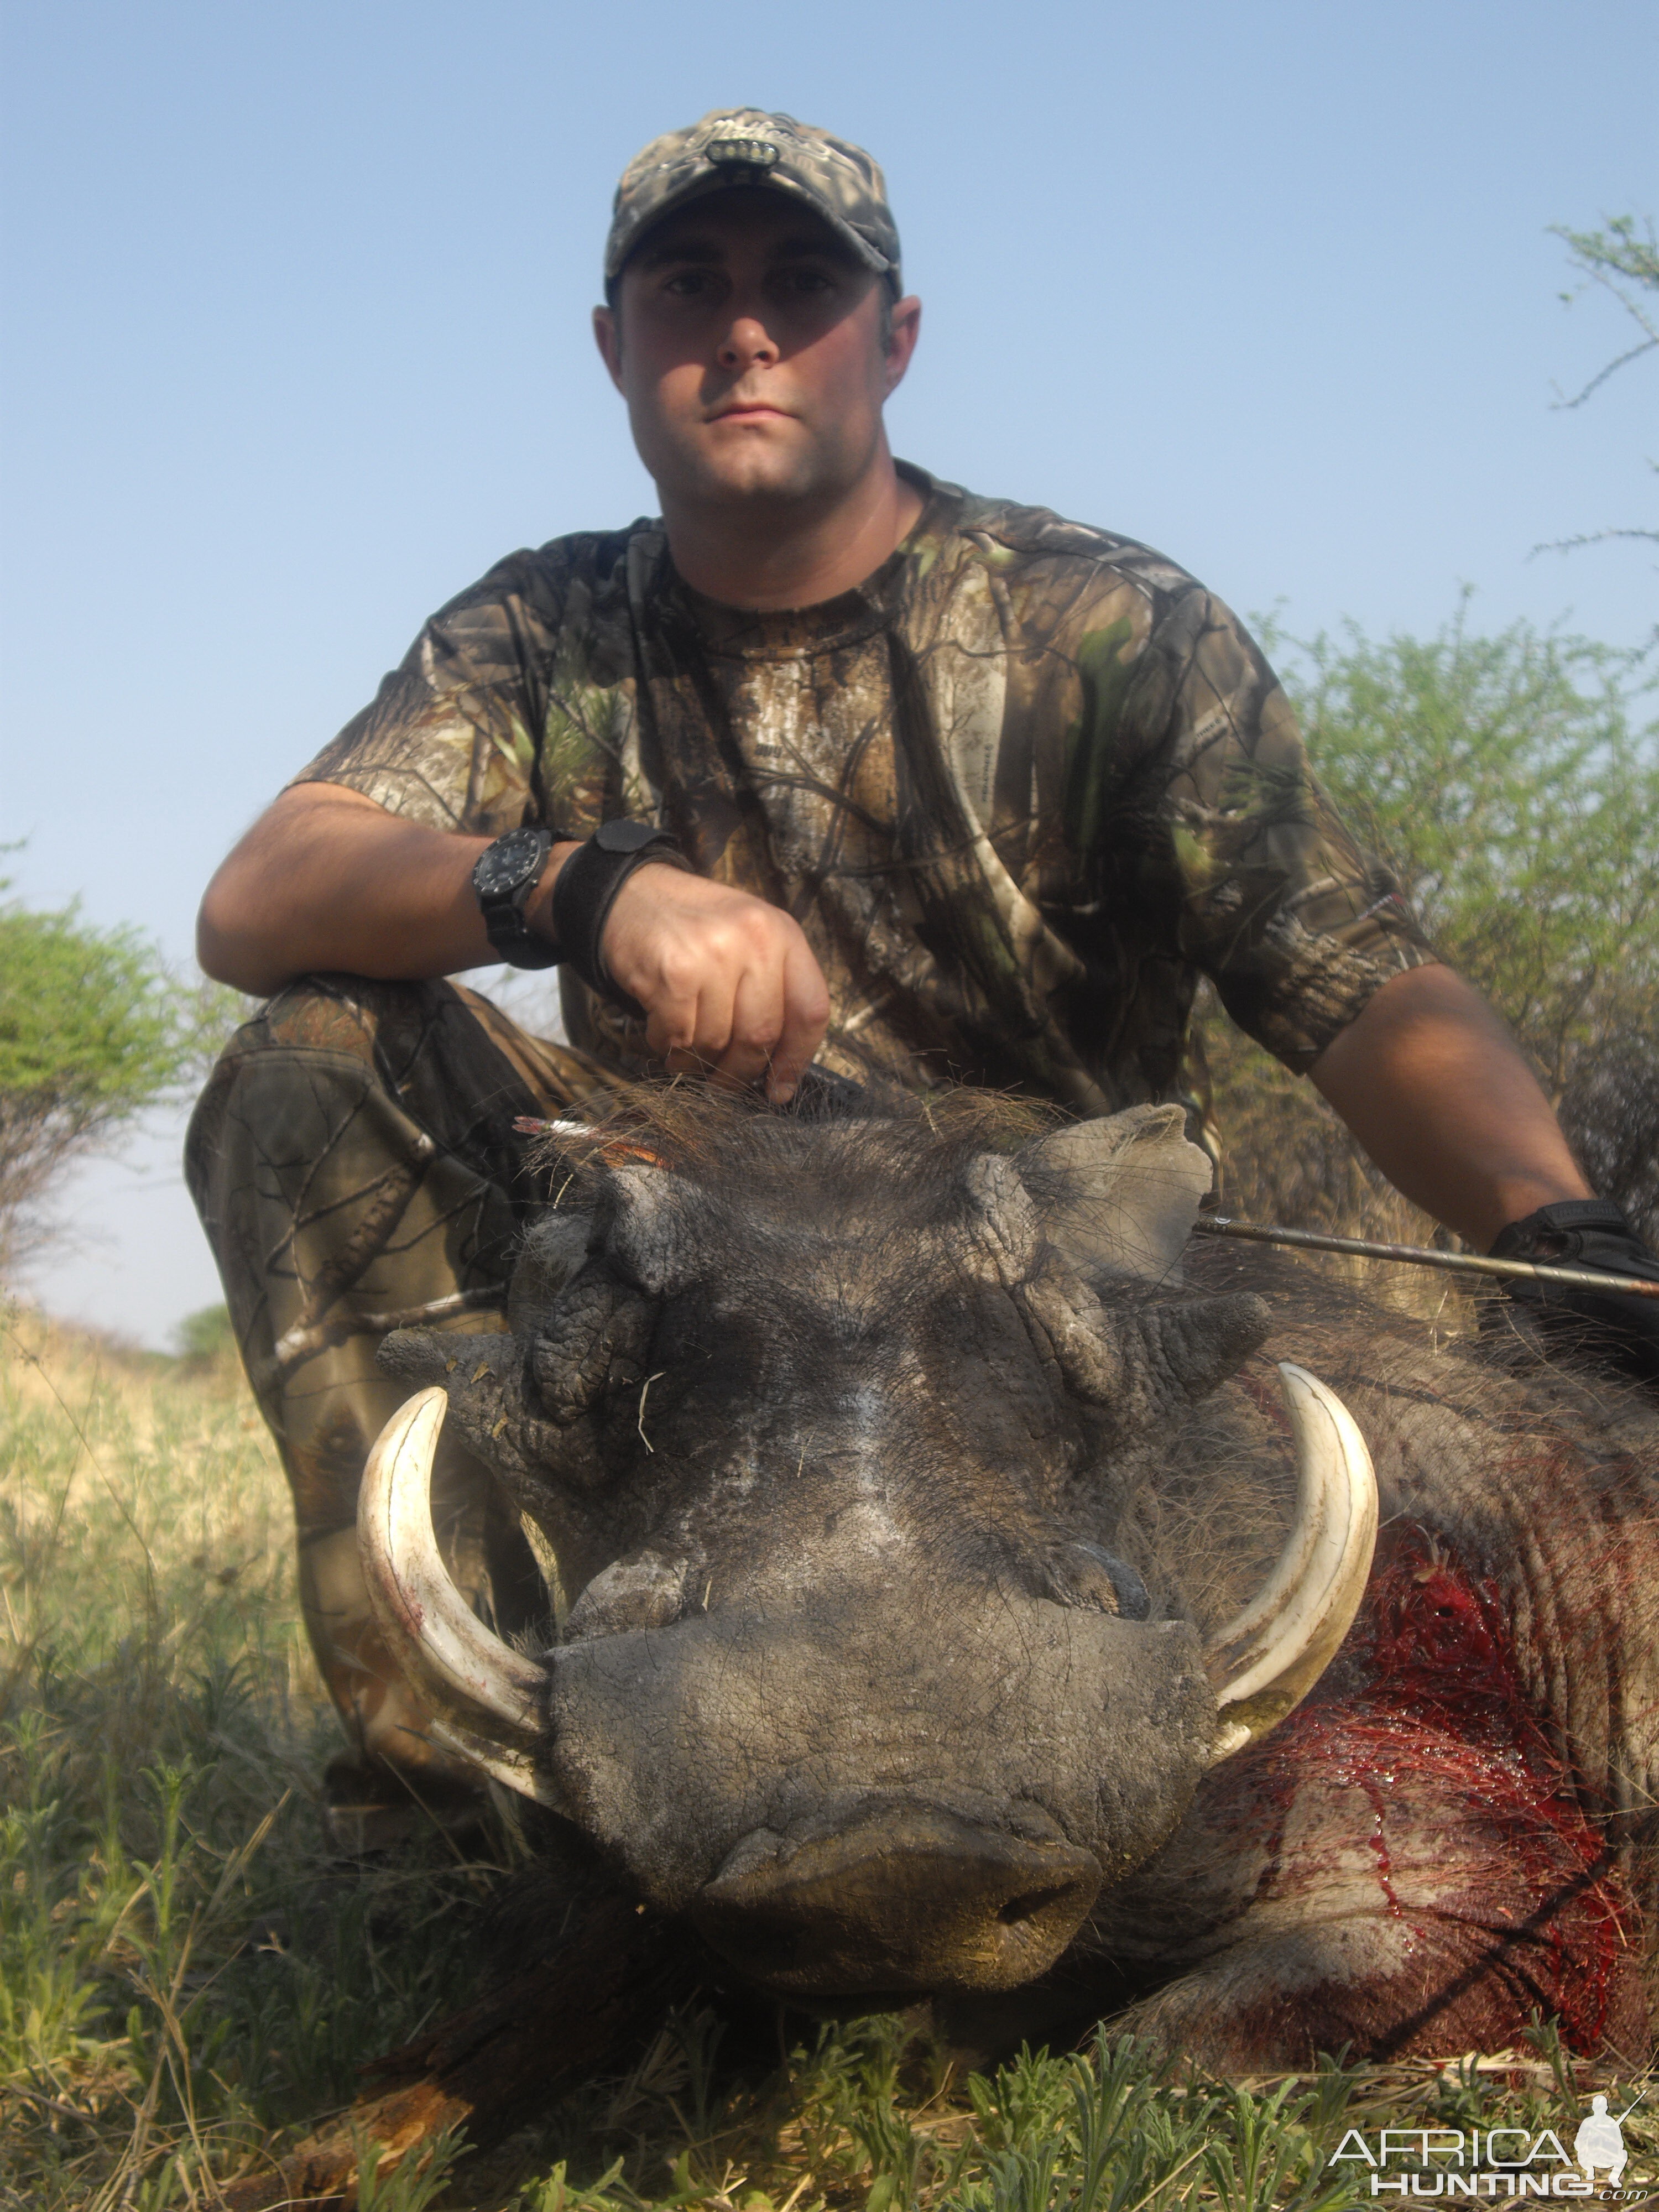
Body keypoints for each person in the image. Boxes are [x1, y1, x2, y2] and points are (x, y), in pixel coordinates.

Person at [189, 108, 1659, 1844]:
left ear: (894, 335)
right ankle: (460, 1814)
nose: (744, 328)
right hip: (687, 1263)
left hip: (1033, 1279)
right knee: (305, 1058)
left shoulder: (1111, 627)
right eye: (688, 286)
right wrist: (570, 886)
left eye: (800, 283)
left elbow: (1349, 977)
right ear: (614, 345)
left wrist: (1563, 1242)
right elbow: (257, 898)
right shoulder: (532, 633)